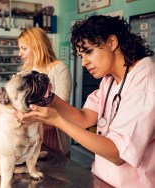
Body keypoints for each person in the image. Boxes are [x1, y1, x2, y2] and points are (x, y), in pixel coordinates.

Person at [14, 15, 155, 187]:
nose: (84, 63)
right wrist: (46, 95)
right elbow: (84, 118)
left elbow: (118, 153)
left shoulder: (146, 82)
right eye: (81, 55)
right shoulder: (109, 80)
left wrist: (56, 120)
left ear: (111, 43)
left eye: (88, 52)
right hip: (102, 178)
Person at [17, 27, 72, 156]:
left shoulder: (59, 68)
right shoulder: (25, 72)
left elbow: (62, 104)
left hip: (53, 133)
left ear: (37, 47)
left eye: (24, 48)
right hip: (29, 136)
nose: (20, 53)